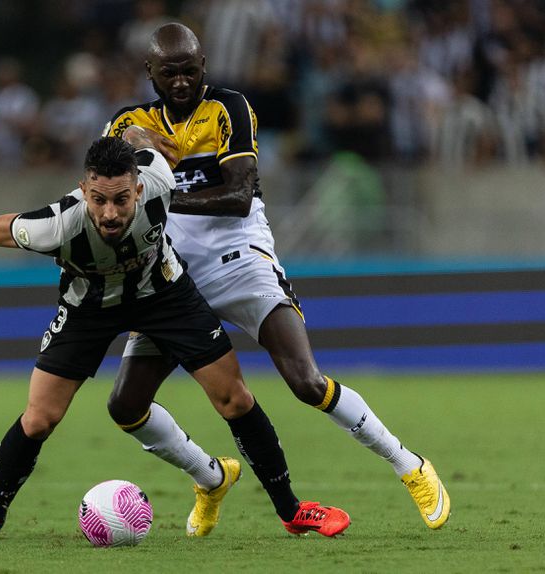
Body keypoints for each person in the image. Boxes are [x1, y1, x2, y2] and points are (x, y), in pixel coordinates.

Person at [0, 132, 350, 540]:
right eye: (99, 200)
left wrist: (143, 133)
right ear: (84, 190)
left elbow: (148, 146)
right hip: (88, 308)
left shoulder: (159, 180)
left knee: (235, 398)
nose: (110, 213)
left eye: (121, 200)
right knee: (40, 417)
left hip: (165, 294)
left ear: (139, 188)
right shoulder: (57, 223)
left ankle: (292, 512)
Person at [103, 23, 450, 535]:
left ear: (204, 68)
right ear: (149, 73)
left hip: (240, 259)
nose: (181, 82)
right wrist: (127, 143)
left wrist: (161, 194)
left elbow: (239, 194)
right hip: (172, 276)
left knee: (306, 382)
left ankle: (411, 466)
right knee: (126, 403)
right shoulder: (126, 122)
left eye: (190, 71)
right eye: (169, 73)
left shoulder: (230, 108)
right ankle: (210, 476)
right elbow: (102, 183)